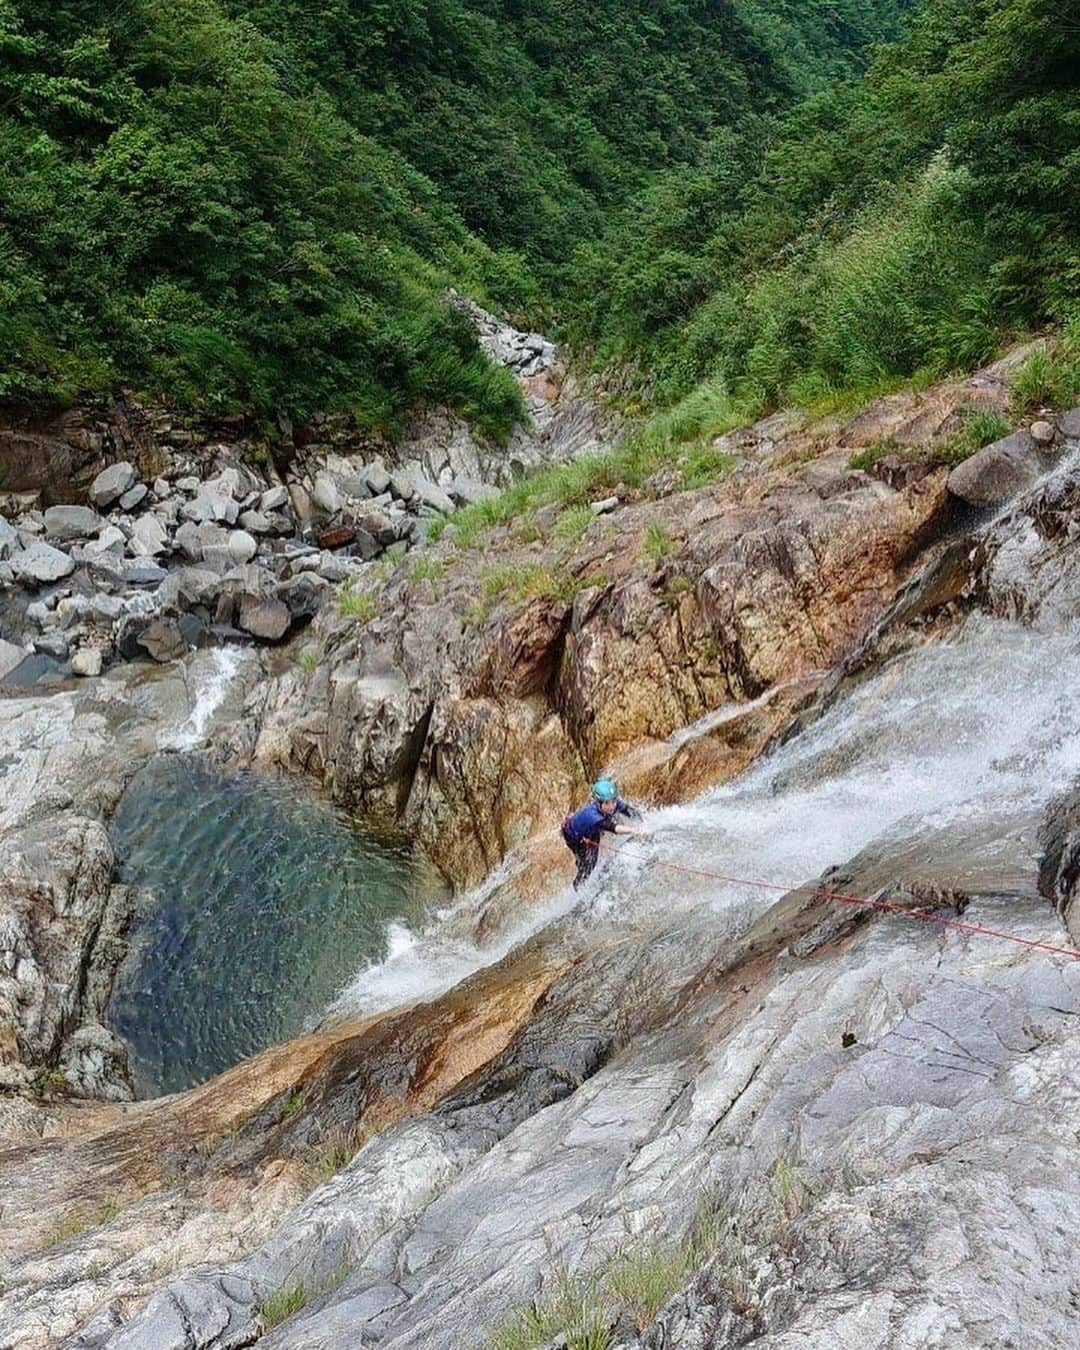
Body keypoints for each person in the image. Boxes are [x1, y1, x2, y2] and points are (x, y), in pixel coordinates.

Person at [562, 778, 647, 890]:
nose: (612, 806)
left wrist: (644, 822)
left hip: (592, 831)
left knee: (593, 859)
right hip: (574, 837)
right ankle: (577, 887)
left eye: (613, 801)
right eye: (607, 803)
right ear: (598, 802)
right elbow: (613, 828)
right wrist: (633, 830)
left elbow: (629, 811)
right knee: (588, 865)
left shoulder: (613, 804)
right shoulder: (592, 815)